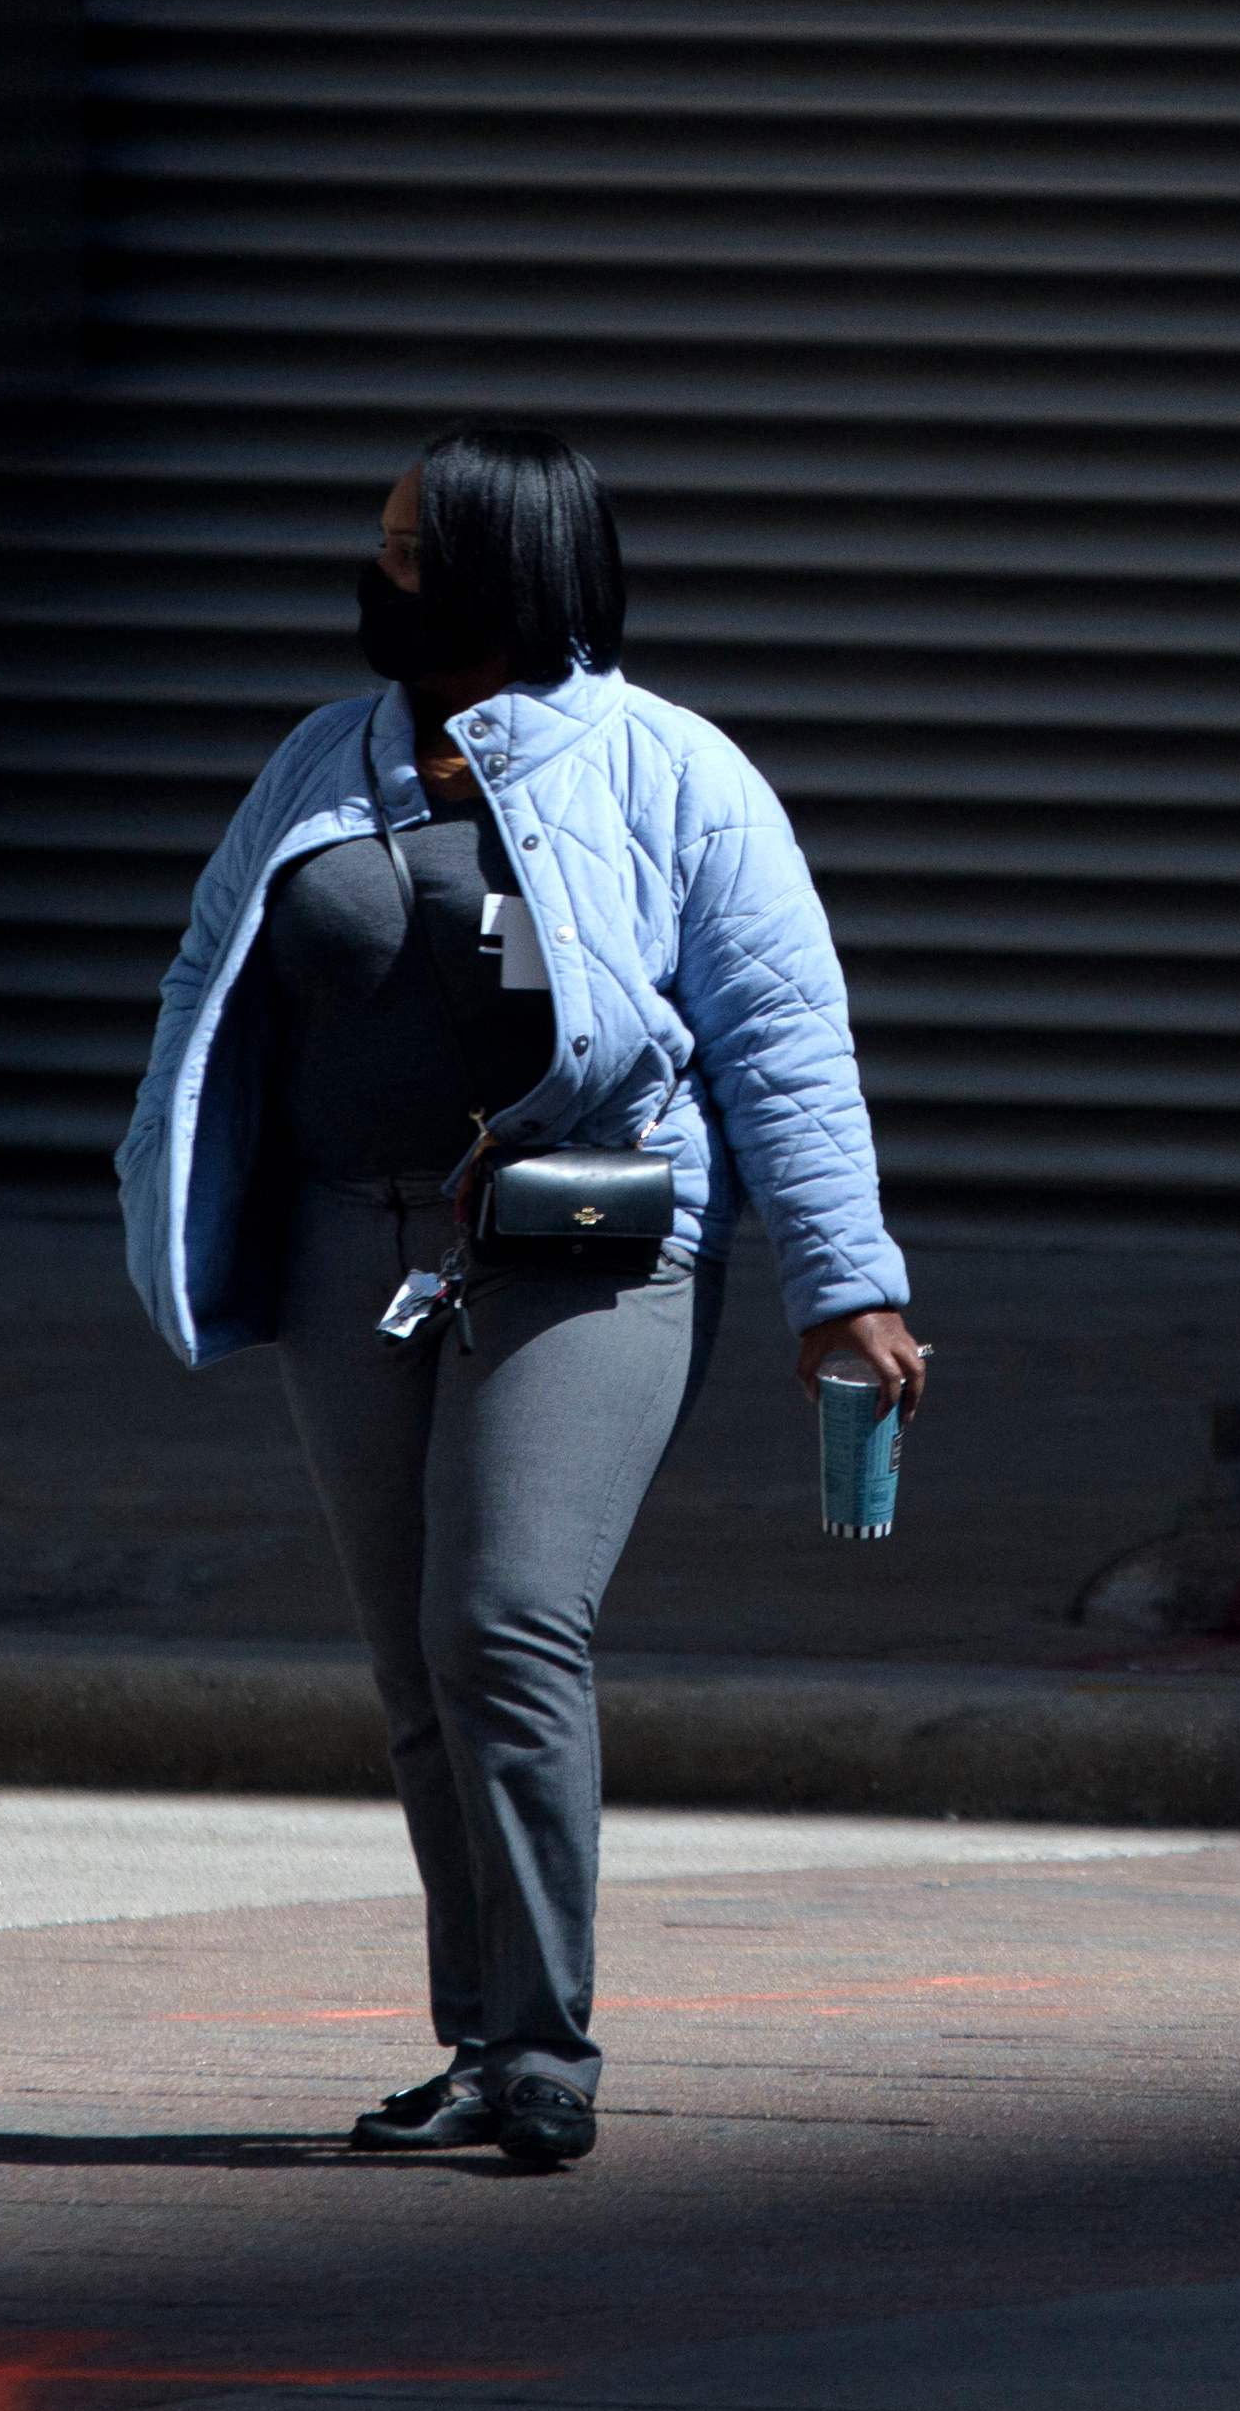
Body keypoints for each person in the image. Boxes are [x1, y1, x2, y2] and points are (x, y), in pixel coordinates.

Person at [119, 423, 927, 2174]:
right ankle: (480, 2041)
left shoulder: (672, 768)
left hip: (590, 1240)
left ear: (505, 569)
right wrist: (185, 1180)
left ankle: (550, 2042)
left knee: (502, 1614)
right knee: (418, 1658)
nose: (376, 572)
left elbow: (784, 1038)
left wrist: (843, 1285)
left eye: (411, 549)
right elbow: (214, 969)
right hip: (350, 1242)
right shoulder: (324, 756)